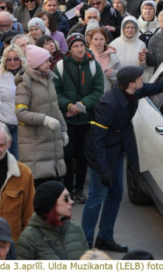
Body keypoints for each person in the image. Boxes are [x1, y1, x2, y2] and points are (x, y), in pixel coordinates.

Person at [82, 65, 163, 252]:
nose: (142, 80)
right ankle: (85, 241)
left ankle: (104, 238)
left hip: (116, 149)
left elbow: (154, 88)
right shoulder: (109, 103)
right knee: (96, 196)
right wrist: (103, 169)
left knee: (116, 194)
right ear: (130, 83)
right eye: (139, 78)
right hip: (100, 153)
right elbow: (96, 139)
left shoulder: (132, 92)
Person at [53, 33, 105, 204]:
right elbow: (56, 91)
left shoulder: (93, 65)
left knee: (83, 156)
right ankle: (66, 189)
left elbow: (98, 90)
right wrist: (68, 106)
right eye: (75, 46)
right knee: (67, 156)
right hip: (67, 119)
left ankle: (79, 189)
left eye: (82, 45)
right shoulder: (60, 66)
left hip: (86, 119)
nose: (80, 48)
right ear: (70, 48)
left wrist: (80, 106)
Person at [15, 45, 68, 186]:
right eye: (46, 61)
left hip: (52, 146)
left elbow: (55, 107)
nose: (49, 63)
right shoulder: (25, 84)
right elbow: (21, 113)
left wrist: (63, 130)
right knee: (40, 196)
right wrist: (44, 119)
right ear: (37, 64)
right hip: (36, 149)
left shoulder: (49, 80)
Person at [15, 181, 89, 260]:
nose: (71, 202)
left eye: (70, 197)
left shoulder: (76, 230)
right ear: (51, 203)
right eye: (66, 198)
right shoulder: (28, 239)